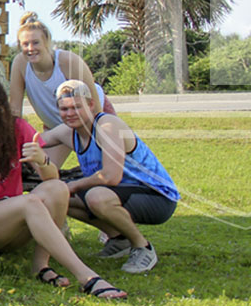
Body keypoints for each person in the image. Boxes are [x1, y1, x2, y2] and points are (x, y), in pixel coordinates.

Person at [0, 72, 127, 300]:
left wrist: (42, 159)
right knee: (29, 203)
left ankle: (41, 265)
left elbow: (51, 177)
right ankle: (87, 278)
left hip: (14, 221)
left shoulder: (16, 128)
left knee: (58, 188)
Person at [40, 79, 179, 273]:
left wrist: (72, 185)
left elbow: (110, 177)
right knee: (59, 197)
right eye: (64, 109)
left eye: (77, 107)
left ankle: (142, 247)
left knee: (95, 197)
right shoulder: (68, 131)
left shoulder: (107, 125)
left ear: (90, 105)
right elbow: (34, 140)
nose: (70, 114)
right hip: (119, 193)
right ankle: (119, 240)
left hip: (156, 197)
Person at [9, 12, 116, 166]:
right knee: (40, 168)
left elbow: (94, 105)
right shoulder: (20, 64)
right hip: (57, 125)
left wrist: (97, 135)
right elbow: (14, 109)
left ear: (46, 42)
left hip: (91, 118)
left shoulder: (68, 62)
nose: (30, 48)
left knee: (112, 166)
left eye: (36, 42)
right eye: (25, 44)